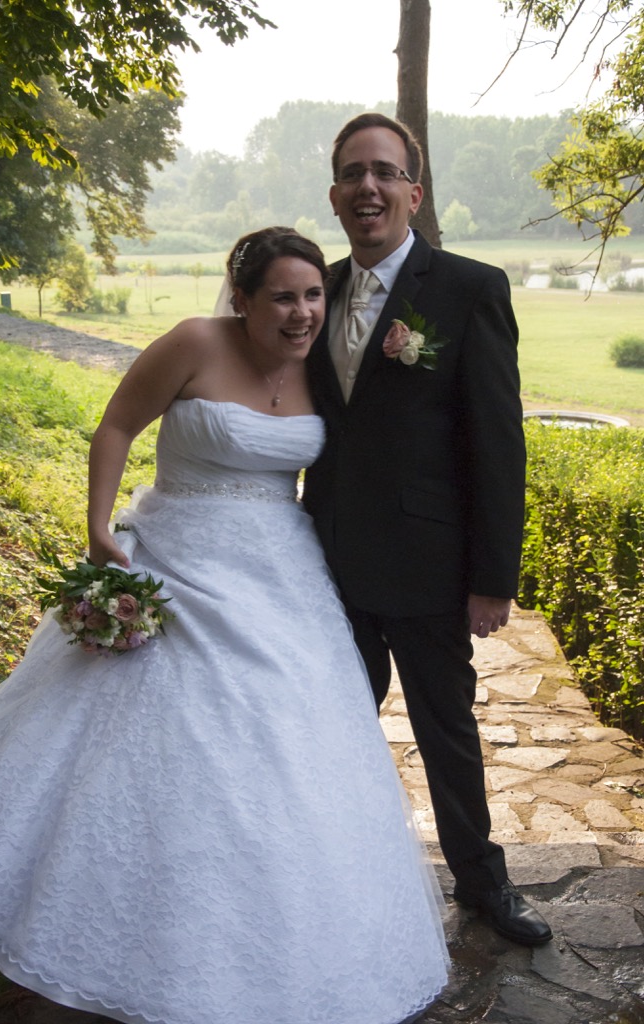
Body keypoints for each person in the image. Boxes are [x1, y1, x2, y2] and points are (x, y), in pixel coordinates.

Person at [0, 227, 449, 1024]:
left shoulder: (327, 363)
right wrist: (99, 531)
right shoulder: (193, 342)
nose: (301, 313)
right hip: (175, 556)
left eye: (313, 295)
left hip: (282, 577)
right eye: (283, 298)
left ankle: (272, 941)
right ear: (243, 298)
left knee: (283, 755)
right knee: (143, 747)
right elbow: (116, 426)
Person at [303, 114, 553, 947]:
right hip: (325, 565)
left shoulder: (469, 288)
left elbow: (497, 442)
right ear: (334, 195)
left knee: (447, 731)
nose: (367, 187)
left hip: (428, 567)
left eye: (384, 171)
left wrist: (493, 577)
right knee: (333, 729)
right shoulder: (314, 292)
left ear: (414, 190)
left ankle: (484, 884)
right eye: (352, 173)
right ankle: (331, 876)